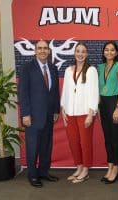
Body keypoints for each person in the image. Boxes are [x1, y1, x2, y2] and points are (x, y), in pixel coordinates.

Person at [19, 40, 60, 188]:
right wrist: (25, 114)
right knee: (33, 146)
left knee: (46, 146)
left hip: (49, 115)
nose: (43, 51)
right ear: (35, 51)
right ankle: (32, 175)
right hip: (33, 116)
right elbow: (22, 93)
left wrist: (56, 110)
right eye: (39, 48)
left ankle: (43, 172)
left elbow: (55, 92)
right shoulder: (26, 68)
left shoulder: (53, 67)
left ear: (49, 51)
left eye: (45, 48)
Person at [60, 42, 99, 183]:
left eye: (83, 51)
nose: (80, 54)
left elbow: (94, 93)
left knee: (85, 142)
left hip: (84, 113)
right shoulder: (68, 70)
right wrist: (63, 109)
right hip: (70, 112)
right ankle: (79, 167)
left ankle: (86, 170)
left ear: (87, 54)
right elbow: (65, 91)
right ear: (74, 53)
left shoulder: (91, 70)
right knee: (73, 142)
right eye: (78, 51)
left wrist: (91, 113)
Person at [97, 41, 118, 184]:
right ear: (103, 52)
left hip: (115, 104)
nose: (109, 52)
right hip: (103, 105)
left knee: (116, 139)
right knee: (108, 139)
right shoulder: (100, 67)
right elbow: (98, 88)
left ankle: (116, 169)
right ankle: (109, 167)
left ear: (116, 52)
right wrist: (97, 107)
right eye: (106, 50)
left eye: (112, 50)